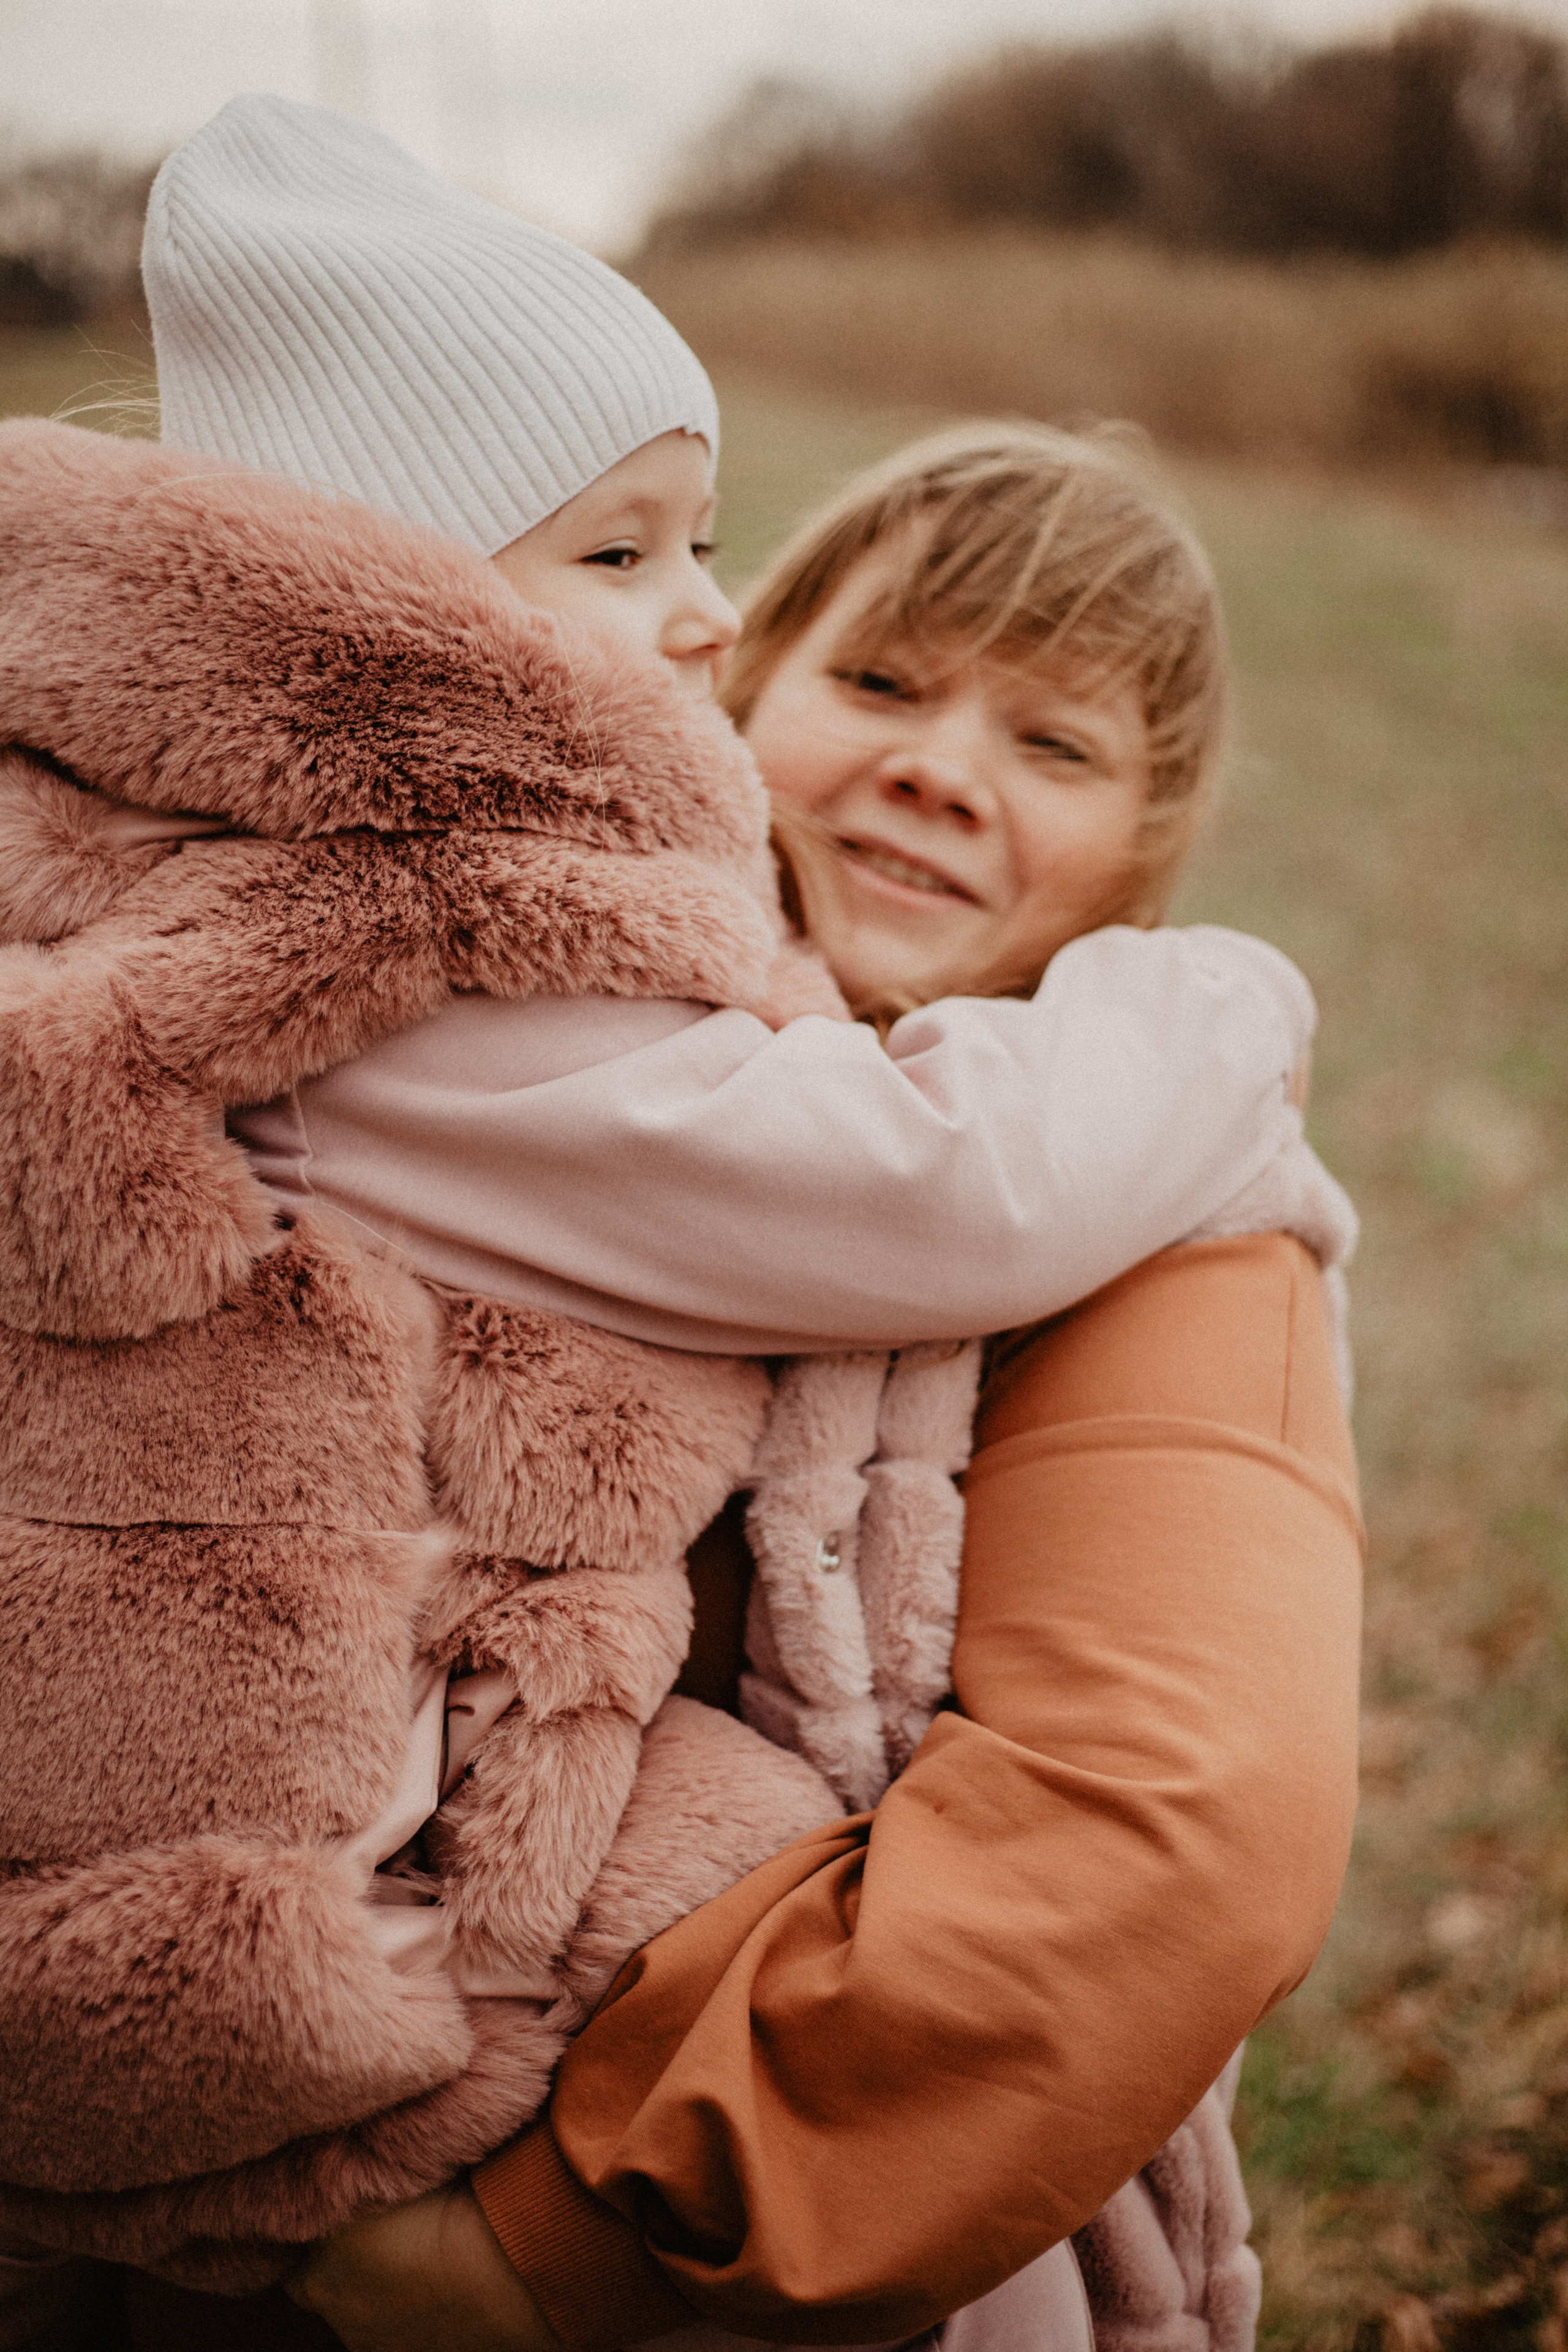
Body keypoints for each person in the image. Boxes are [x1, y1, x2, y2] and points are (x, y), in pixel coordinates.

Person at [0, 97, 1354, 2350]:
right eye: (888, 681)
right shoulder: (457, 964)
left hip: (677, 2115)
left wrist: (533, 2274)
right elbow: (904, 1182)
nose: (941, 769)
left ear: (1152, 843)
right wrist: (1226, 1016)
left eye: (1060, 744)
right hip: (305, 1894)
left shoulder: (1181, 1257)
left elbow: (1156, 1842)